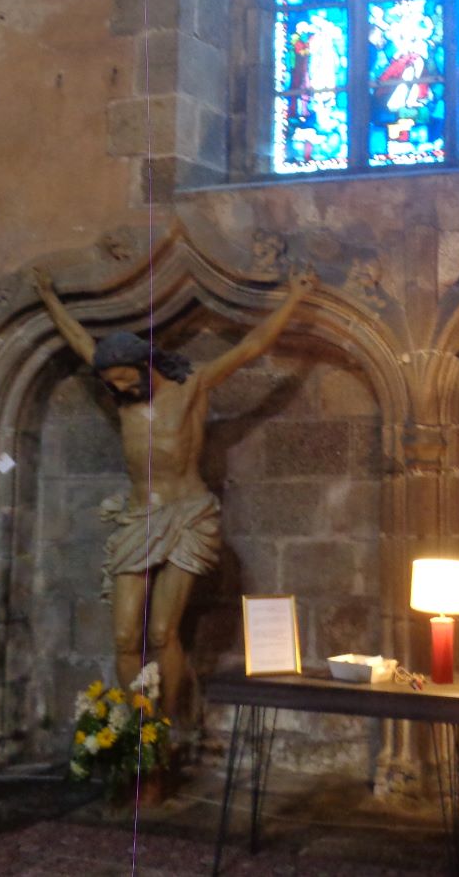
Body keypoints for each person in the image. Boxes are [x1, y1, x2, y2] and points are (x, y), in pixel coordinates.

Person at [32, 266, 316, 716]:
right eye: (111, 383)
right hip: (139, 519)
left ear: (145, 366)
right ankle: (138, 729)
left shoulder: (192, 387)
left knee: (164, 631)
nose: (118, 389)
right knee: (126, 637)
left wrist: (293, 300)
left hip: (187, 516)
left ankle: (164, 729)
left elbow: (251, 346)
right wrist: (49, 295)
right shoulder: (122, 398)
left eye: (124, 379)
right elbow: (80, 341)